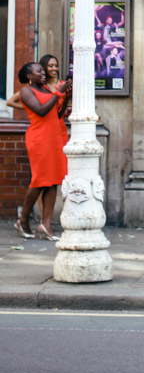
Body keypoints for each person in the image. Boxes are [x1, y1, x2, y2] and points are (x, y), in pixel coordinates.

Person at [14, 62, 70, 241]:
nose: (43, 73)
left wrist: (66, 96)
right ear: (29, 76)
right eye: (39, 71)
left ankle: (46, 225)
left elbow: (57, 113)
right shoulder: (26, 92)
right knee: (39, 180)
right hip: (39, 139)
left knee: (53, 181)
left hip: (54, 138)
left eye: (42, 70)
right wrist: (59, 92)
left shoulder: (46, 88)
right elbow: (41, 111)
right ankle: (23, 221)